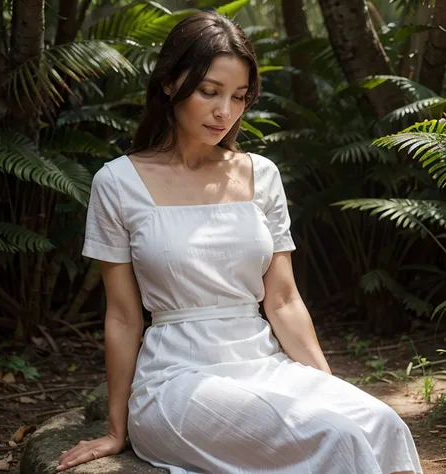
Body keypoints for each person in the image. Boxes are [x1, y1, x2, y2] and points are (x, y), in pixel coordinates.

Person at [57, 11, 422, 474]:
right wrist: (116, 427)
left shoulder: (260, 175)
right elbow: (124, 316)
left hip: (264, 364)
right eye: (209, 91)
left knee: (383, 423)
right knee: (339, 437)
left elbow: (285, 299)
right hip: (175, 380)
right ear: (170, 82)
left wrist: (331, 392)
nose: (224, 111)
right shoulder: (118, 182)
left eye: (239, 96)